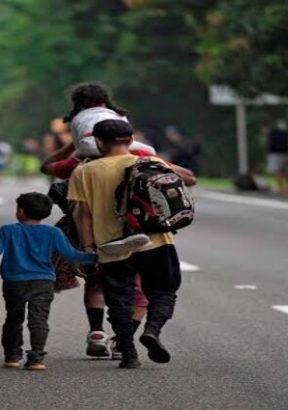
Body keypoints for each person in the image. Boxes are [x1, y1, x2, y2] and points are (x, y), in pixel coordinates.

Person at [68, 119, 182, 369]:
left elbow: (82, 214)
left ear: (98, 142)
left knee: (119, 299)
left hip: (112, 246)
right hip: (156, 241)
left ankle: (129, 354)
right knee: (163, 291)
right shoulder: (152, 163)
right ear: (131, 140)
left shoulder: (85, 171)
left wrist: (87, 246)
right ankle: (152, 330)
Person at [0, 193, 97, 371]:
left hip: (14, 282)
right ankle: (36, 357)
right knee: (39, 320)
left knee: (14, 318)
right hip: (43, 282)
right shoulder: (53, 232)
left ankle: (12, 356)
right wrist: (96, 258)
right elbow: (71, 254)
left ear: (20, 211)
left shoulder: (8, 231)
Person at [265, 120, 288, 193]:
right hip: (286, 153)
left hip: (275, 154)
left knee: (277, 171)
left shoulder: (273, 134)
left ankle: (280, 187)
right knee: (285, 170)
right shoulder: (286, 134)